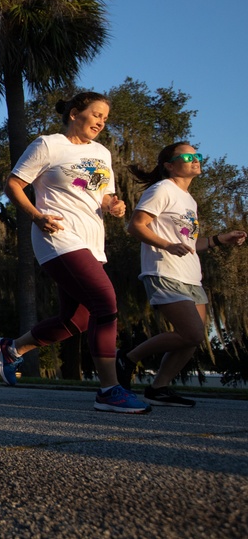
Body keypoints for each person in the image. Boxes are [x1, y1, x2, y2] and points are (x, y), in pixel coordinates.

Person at [0, 90, 149, 414]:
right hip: (57, 235)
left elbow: (103, 194)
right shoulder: (49, 145)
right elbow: (13, 184)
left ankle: (12, 349)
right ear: (75, 113)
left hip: (93, 242)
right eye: (96, 115)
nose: (101, 122)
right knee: (105, 302)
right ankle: (109, 390)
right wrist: (37, 217)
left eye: (105, 118)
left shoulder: (102, 153)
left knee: (76, 320)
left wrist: (114, 204)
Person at [117, 142, 247, 407]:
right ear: (169, 165)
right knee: (193, 334)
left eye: (197, 155)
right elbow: (135, 226)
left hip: (191, 276)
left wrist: (221, 239)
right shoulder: (162, 189)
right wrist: (166, 245)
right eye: (188, 156)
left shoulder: (189, 200)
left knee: (192, 338)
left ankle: (159, 388)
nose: (195, 159)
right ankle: (127, 358)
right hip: (164, 271)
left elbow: (190, 244)